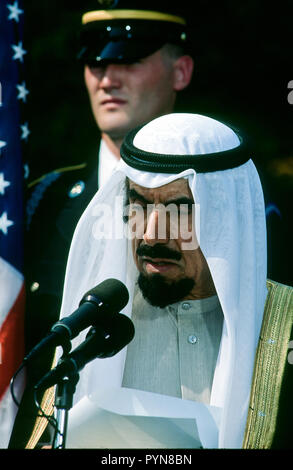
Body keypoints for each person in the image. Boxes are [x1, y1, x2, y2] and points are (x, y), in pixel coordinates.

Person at [27, 113, 292, 449]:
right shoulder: (89, 335)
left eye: (179, 210)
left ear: (226, 218)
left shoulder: (284, 329)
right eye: (138, 207)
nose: (151, 235)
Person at [8, 1, 195, 448]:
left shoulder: (229, 210)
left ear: (181, 71)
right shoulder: (39, 202)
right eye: (96, 61)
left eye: (129, 59)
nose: (108, 78)